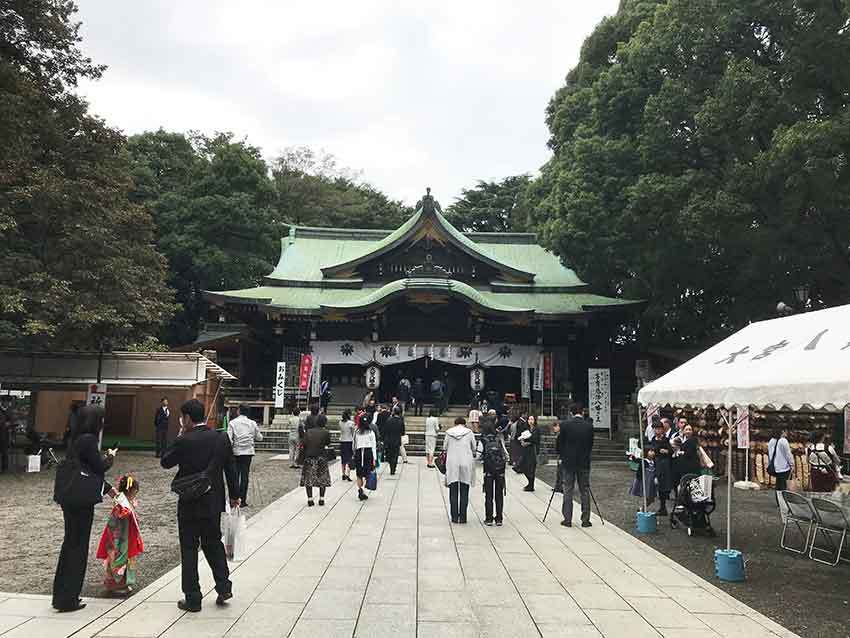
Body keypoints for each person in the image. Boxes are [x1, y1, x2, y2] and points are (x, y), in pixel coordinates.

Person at [161, 399, 239, 613]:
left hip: (189, 502)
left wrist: (179, 435)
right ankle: (224, 587)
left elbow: (165, 461)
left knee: (189, 548)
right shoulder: (221, 437)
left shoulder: (183, 440)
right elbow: (230, 469)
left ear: (186, 418)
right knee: (213, 544)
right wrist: (235, 495)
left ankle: (193, 597)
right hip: (213, 502)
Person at [52, 405, 117, 612]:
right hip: (81, 501)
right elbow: (98, 468)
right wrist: (110, 457)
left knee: (70, 544)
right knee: (78, 547)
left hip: (70, 497)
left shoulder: (75, 440)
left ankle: (61, 595)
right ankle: (69, 598)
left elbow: (85, 470)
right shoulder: (89, 440)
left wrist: (107, 488)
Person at [96, 474, 144, 596]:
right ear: (132, 490)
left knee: (116, 558)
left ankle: (115, 583)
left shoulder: (122, 501)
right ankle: (118, 585)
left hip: (119, 536)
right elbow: (121, 518)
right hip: (121, 538)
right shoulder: (123, 504)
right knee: (119, 558)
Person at [557, 403, 594, 528]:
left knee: (568, 489)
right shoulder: (589, 426)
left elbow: (560, 443)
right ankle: (586, 519)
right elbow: (590, 445)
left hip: (568, 462)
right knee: (584, 490)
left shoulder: (565, 425)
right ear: (582, 412)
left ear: (571, 413)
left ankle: (567, 519)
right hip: (584, 462)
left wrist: (561, 455)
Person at [227, 404, 263, 508]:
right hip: (248, 452)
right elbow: (259, 437)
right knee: (245, 475)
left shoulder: (232, 423)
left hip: (236, 451)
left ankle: (234, 498)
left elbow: (229, 438)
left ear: (238, 411)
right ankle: (243, 500)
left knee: (235, 475)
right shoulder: (252, 423)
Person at [444, 416, 476, 524]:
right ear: (464, 423)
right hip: (466, 462)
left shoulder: (449, 433)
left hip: (452, 463)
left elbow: (445, 447)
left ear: (455, 423)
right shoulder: (469, 432)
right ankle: (463, 517)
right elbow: (474, 447)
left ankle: (454, 516)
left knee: (453, 491)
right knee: (464, 490)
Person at [300, 406, 331, 506]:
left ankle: (310, 499)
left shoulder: (309, 432)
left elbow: (304, 443)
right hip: (321, 456)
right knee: (322, 477)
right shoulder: (326, 432)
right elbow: (328, 443)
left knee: (309, 478)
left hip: (310, 456)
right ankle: (321, 498)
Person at [479, 420, 507, 526]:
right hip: (500, 470)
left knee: (489, 495)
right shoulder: (499, 438)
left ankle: (489, 518)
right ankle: (499, 518)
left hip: (488, 470)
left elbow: (478, 455)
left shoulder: (483, 440)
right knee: (499, 494)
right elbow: (505, 453)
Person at [648, 420, 673, 515]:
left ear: (662, 429)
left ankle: (663, 507)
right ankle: (661, 507)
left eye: (658, 428)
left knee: (663, 486)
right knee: (656, 485)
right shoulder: (653, 439)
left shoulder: (666, 440)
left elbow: (670, 451)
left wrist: (666, 451)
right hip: (656, 463)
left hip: (664, 465)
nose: (656, 430)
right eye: (655, 429)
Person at [353, 413, 377, 501]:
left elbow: (354, 444)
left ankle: (360, 489)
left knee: (359, 474)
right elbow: (373, 446)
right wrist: (374, 458)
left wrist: (354, 453)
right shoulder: (371, 433)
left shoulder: (357, 432)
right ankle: (365, 486)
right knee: (368, 472)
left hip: (359, 453)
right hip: (368, 453)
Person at [672, 423, 700, 490]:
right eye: (686, 429)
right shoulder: (682, 440)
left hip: (691, 467)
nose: (688, 431)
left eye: (690, 430)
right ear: (683, 431)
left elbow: (688, 453)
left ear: (692, 431)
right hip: (684, 468)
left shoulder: (693, 440)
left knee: (691, 486)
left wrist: (681, 452)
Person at [382, 406, 405, 475]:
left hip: (389, 440)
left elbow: (385, 430)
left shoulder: (389, 420)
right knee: (395, 455)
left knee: (389, 454)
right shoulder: (401, 421)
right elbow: (403, 432)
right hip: (397, 440)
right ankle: (393, 468)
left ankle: (391, 466)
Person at [520, 415, 541, 491]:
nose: (530, 421)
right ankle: (529, 482)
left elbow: (536, 439)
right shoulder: (526, 428)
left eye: (532, 419)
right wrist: (522, 441)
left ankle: (531, 485)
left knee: (531, 468)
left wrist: (528, 441)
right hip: (526, 450)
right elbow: (521, 436)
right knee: (524, 466)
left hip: (533, 450)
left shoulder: (537, 429)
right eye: (529, 419)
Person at [339, 409, 356, 481]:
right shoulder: (351, 423)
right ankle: (348, 474)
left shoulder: (340, 422)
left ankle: (343, 474)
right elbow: (353, 432)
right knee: (349, 458)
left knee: (343, 459)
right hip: (349, 441)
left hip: (342, 441)